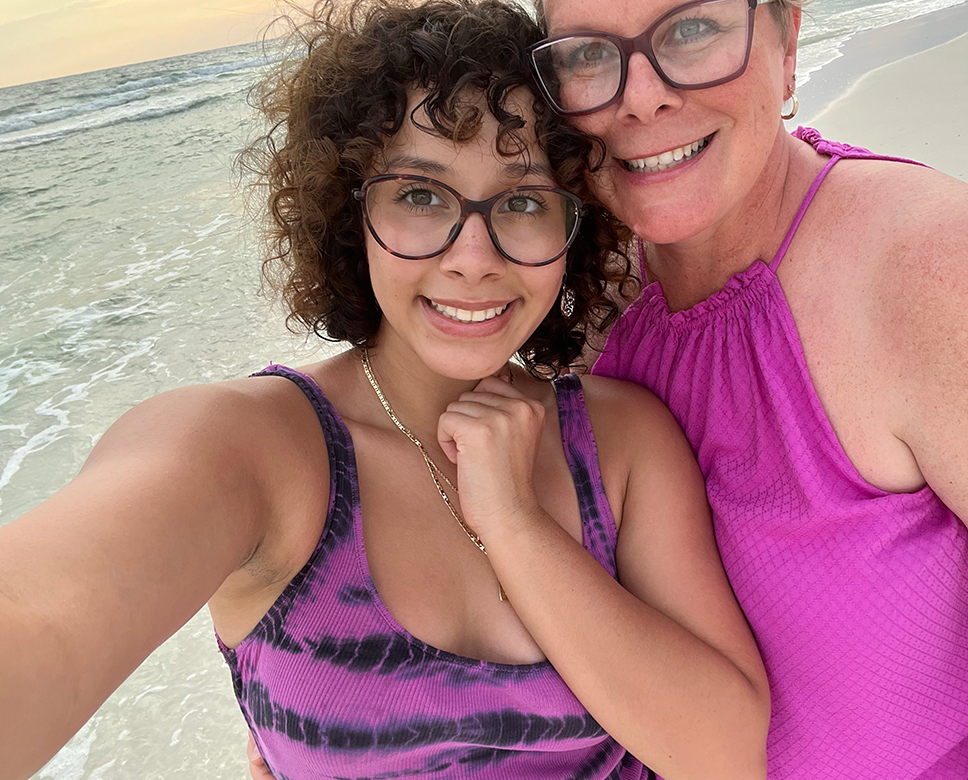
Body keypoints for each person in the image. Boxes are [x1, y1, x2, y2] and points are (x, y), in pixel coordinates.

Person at [0, 2, 771, 779]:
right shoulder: (255, 449)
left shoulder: (622, 440)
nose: (474, 258)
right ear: (349, 213)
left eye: (524, 201)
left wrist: (513, 523)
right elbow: (42, 619)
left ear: (576, 228)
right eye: (421, 196)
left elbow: (726, 756)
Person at [521, 0, 968, 778]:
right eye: (588, 54)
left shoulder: (946, 271)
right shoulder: (563, 296)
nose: (641, 95)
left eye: (692, 30)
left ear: (787, 40)